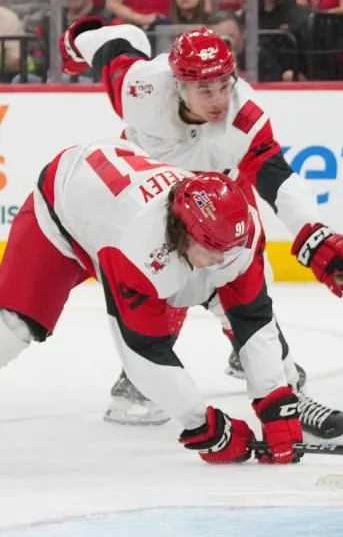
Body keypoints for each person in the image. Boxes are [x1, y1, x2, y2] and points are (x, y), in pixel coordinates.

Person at [60, 20, 343, 436]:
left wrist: (314, 233)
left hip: (219, 190)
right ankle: (143, 375)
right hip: (153, 196)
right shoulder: (143, 88)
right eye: (205, 89)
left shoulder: (245, 115)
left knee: (249, 283)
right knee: (162, 277)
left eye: (225, 84)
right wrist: (77, 39)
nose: (219, 98)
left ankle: (275, 379)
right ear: (177, 83)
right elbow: (115, 50)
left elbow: (277, 176)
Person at [0, 141, 302, 465]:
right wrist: (204, 426)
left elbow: (252, 318)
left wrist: (274, 400)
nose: (225, 259)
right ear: (184, 232)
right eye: (214, 248)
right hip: (62, 206)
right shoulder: (137, 247)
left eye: (230, 248)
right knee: (15, 325)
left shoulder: (236, 235)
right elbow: (143, 353)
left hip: (116, 204)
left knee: (210, 288)